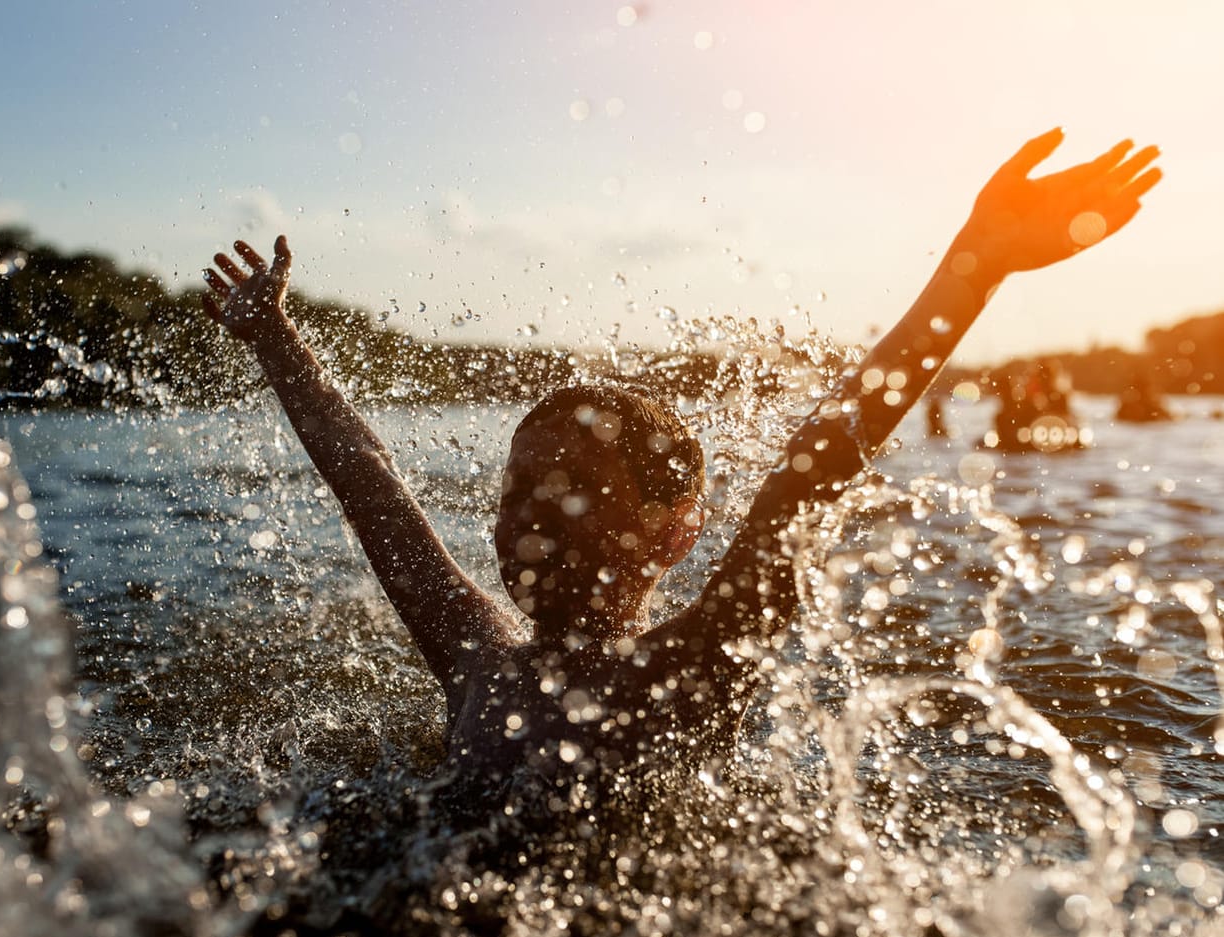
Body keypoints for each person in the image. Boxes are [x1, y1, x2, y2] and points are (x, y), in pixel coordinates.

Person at [200, 130, 1160, 790]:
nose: (526, 513)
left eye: (572, 489)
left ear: (672, 534)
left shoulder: (694, 666)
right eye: (516, 488)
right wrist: (276, 341)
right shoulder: (475, 656)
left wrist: (975, 262)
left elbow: (813, 469)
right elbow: (370, 485)